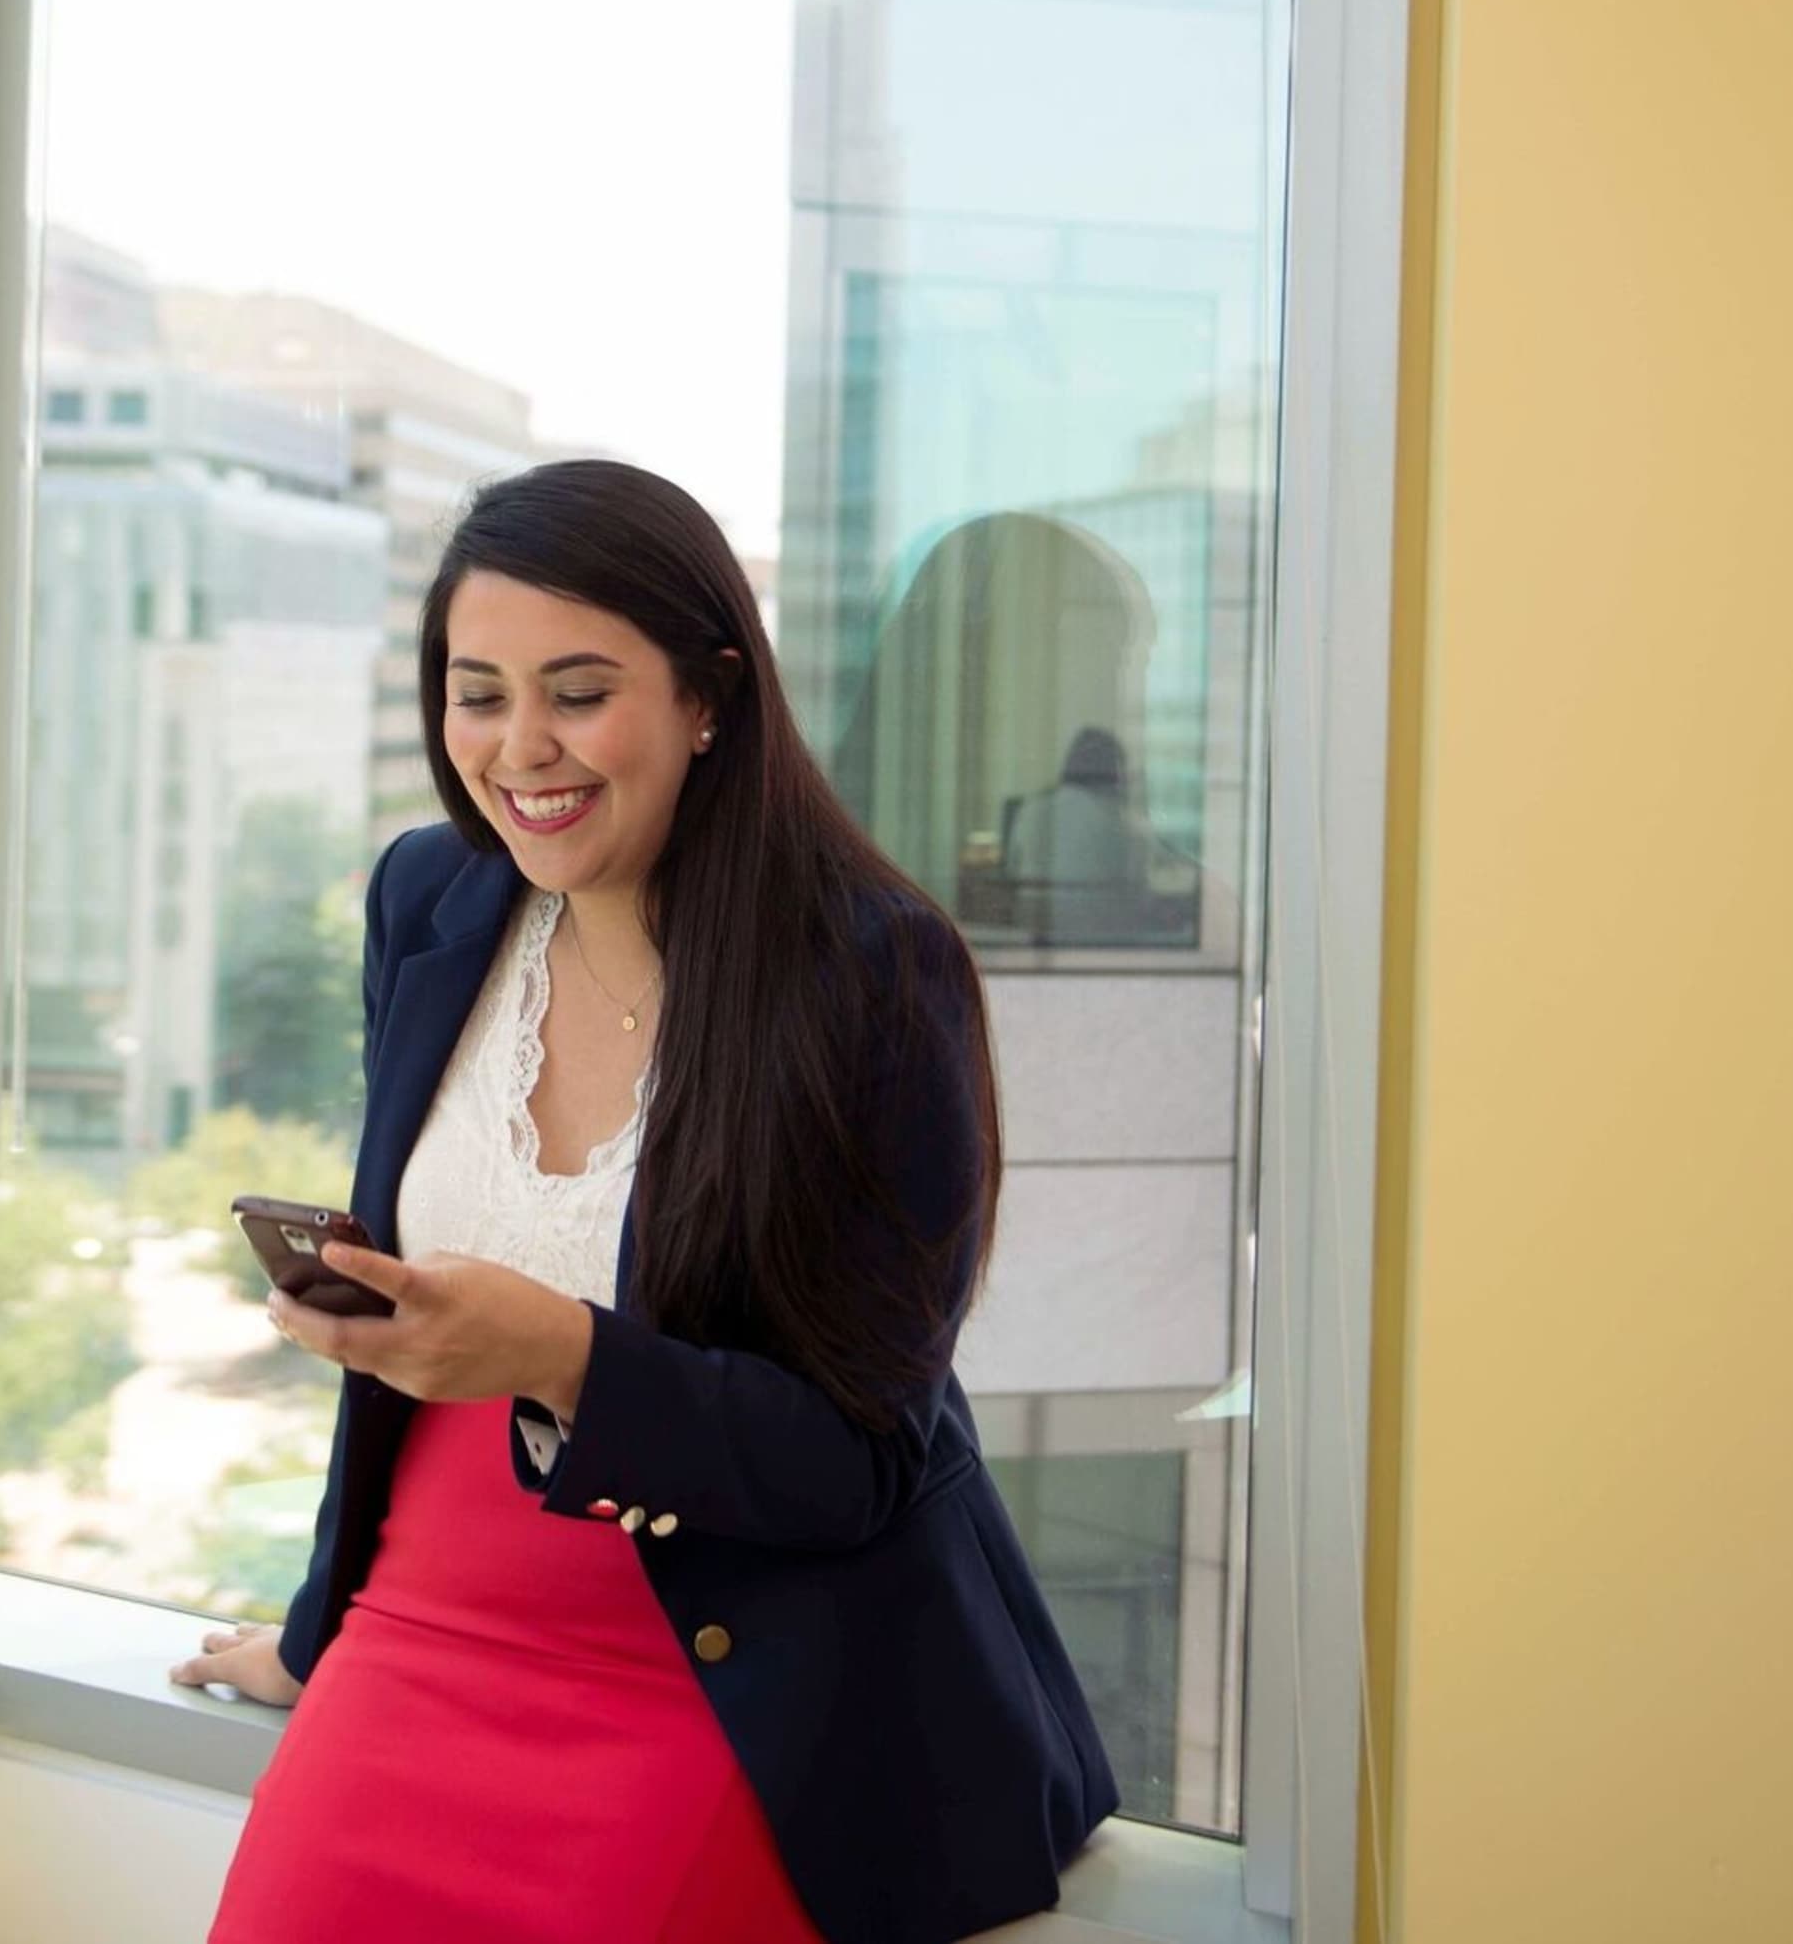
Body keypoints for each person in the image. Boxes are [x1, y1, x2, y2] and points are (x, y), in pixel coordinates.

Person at [175, 459, 1118, 1944]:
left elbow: (860, 1458)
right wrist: (319, 1619)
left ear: (707, 699)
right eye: (477, 693)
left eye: (579, 689)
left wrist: (561, 1353)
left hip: (708, 1669)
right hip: (412, 1633)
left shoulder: (871, 973)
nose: (520, 747)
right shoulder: (429, 896)